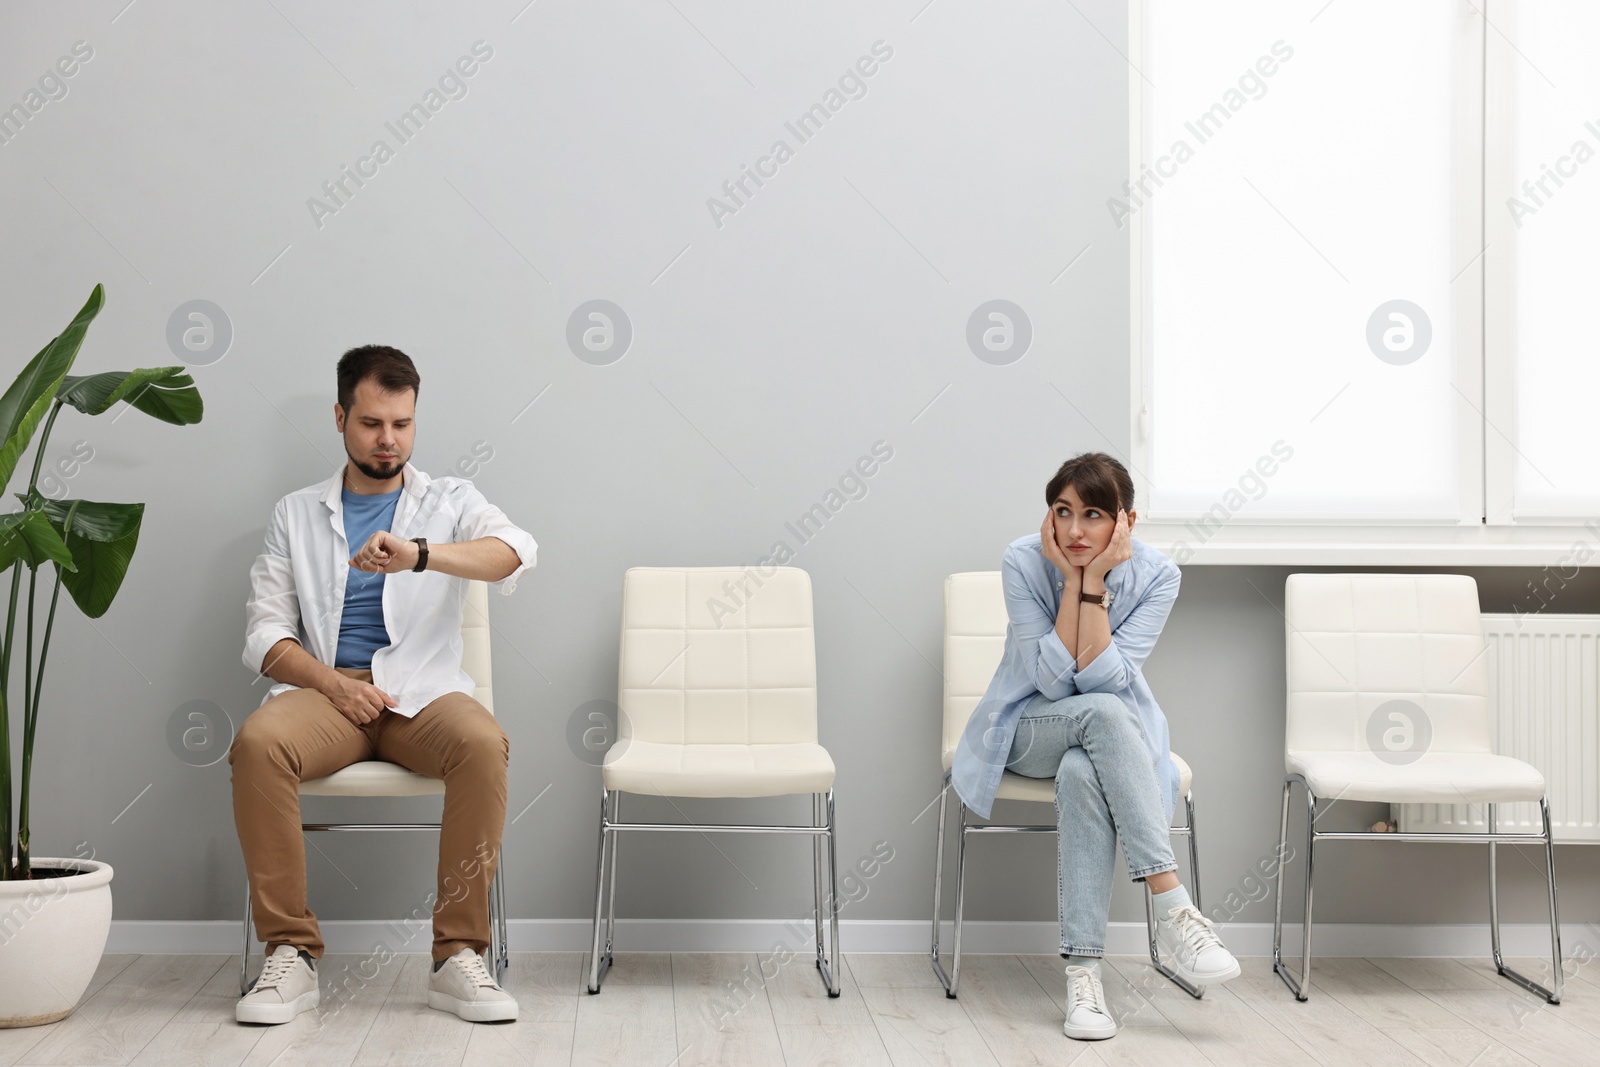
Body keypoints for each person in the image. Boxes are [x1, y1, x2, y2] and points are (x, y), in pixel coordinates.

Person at [230, 346, 537, 1025]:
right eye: (371, 423)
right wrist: (334, 686)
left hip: (421, 698)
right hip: (327, 698)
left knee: (484, 743)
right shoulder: (295, 513)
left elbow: (516, 550)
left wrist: (418, 554)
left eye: (402, 423)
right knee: (256, 744)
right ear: (341, 416)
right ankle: (290, 952)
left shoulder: (450, 500)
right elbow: (264, 637)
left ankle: (457, 955)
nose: (388, 440)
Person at [951, 452, 1239, 1040]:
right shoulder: (1022, 561)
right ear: (1049, 516)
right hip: (1026, 728)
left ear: (1125, 522)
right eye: (1063, 512)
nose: (1075, 530)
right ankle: (1172, 904)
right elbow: (1055, 685)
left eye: (1093, 515)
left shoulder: (1159, 575)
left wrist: (1095, 583)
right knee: (1103, 715)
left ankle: (1083, 982)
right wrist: (1075, 582)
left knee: (1086, 768)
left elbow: (1104, 680)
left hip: (1104, 739)